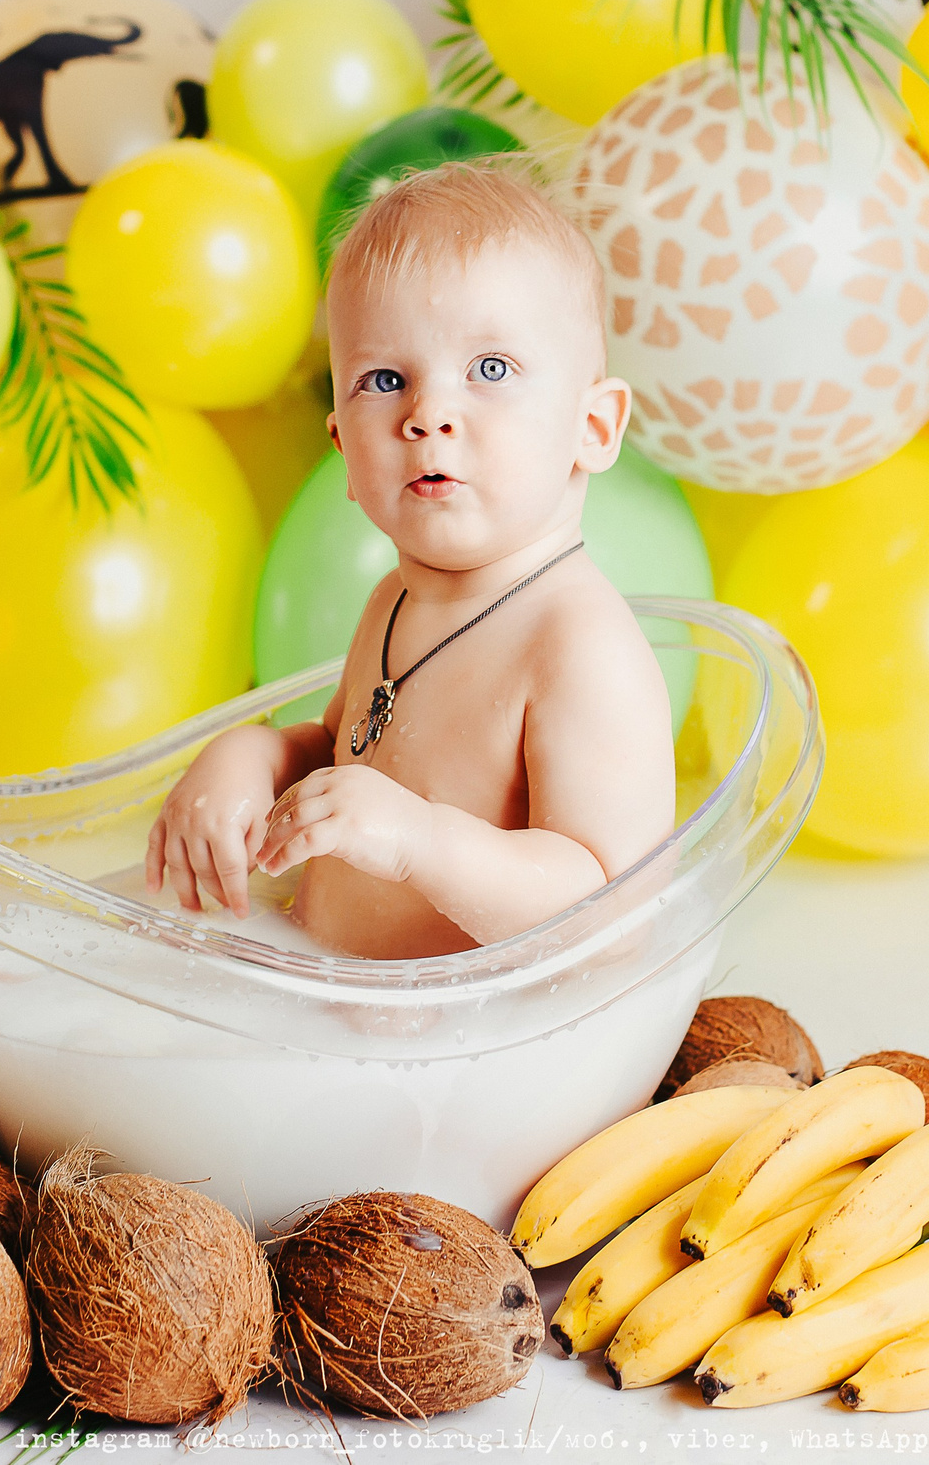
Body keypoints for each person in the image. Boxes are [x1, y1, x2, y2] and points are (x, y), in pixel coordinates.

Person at [144, 161, 675, 959]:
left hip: (482, 1048)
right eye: (384, 379)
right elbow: (340, 755)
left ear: (593, 427)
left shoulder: (579, 646)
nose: (428, 414)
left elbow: (610, 912)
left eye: (490, 369)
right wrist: (250, 755)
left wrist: (419, 840)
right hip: (340, 1001)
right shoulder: (393, 600)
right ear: (342, 451)